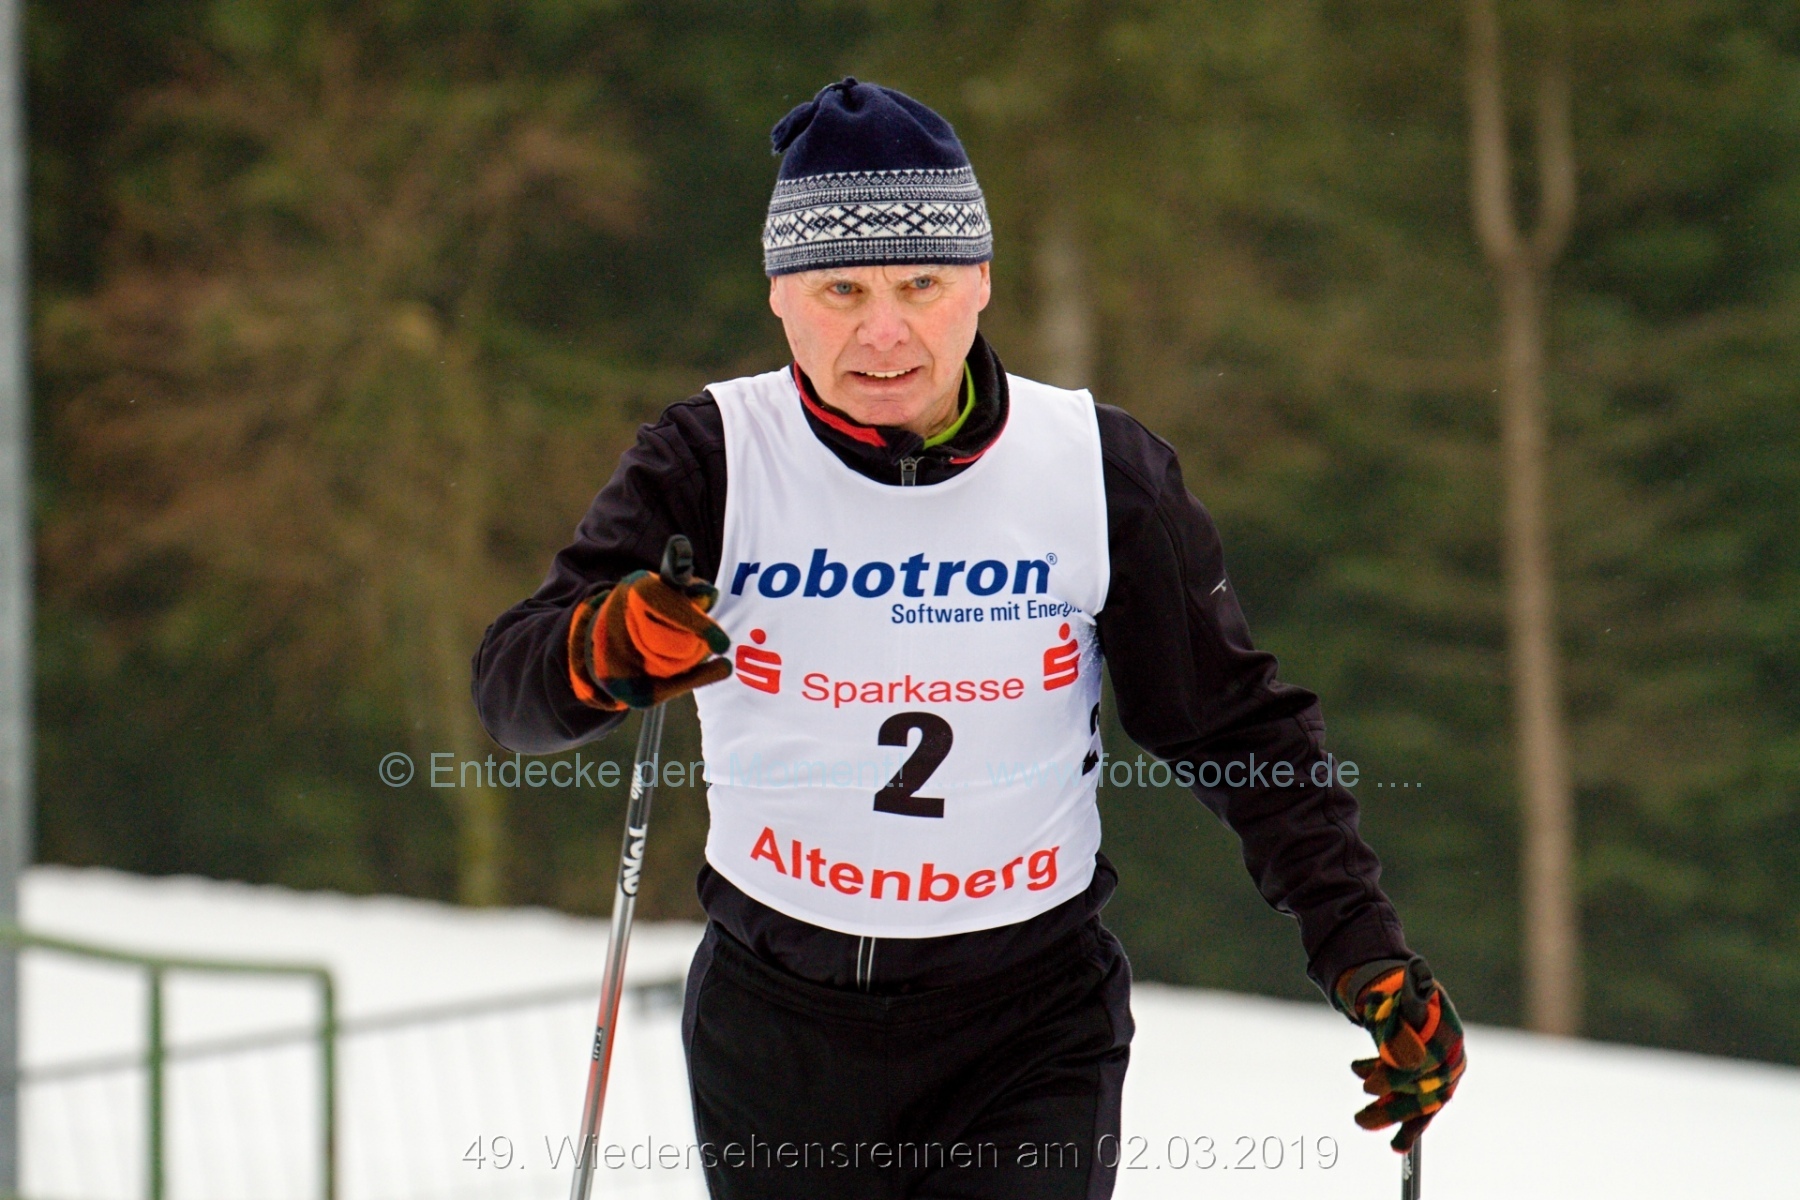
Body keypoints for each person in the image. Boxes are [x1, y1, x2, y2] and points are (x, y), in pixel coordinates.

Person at [474, 77, 1463, 1200]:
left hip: (1025, 1027)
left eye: (922, 284)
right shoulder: (709, 460)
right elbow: (511, 691)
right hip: (778, 1028)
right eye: (841, 288)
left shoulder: (1096, 470)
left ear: (981, 281)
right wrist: (598, 653)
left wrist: (1361, 946)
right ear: (781, 295)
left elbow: (1235, 727)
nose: (884, 331)